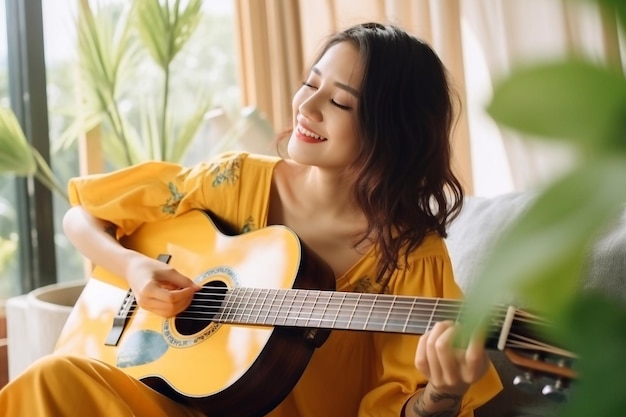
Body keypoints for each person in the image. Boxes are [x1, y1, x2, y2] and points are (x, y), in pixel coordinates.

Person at [0, 22, 501, 416]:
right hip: (150, 399)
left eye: (339, 101)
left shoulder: (411, 262)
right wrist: (133, 267)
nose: (307, 105)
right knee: (54, 377)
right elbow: (82, 217)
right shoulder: (235, 182)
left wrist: (443, 394)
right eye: (310, 82)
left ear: (392, 132)